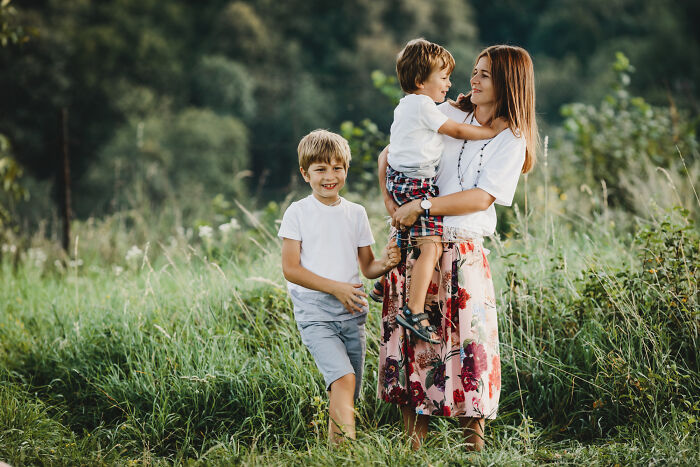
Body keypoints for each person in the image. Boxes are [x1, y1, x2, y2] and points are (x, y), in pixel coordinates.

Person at [376, 45, 538, 451]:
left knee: (469, 347)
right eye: (475, 71)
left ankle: (473, 449)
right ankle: (412, 449)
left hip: (463, 250)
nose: (474, 79)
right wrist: (395, 206)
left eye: (484, 74)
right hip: (420, 243)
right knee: (415, 346)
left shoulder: (511, 137)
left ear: (507, 83)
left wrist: (423, 205)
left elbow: (482, 197)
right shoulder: (445, 113)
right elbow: (389, 153)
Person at [376, 38, 505, 345]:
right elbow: (457, 130)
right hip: (416, 183)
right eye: (443, 78)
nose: (449, 84)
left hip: (400, 178)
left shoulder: (407, 105)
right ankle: (414, 309)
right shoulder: (423, 106)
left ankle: (385, 281)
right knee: (430, 246)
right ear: (421, 81)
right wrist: (489, 131)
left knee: (407, 228)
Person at [279, 129, 400, 444]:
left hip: (352, 312)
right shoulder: (298, 213)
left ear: (346, 169)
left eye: (337, 168)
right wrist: (336, 288)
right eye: (320, 169)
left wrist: (387, 261)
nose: (329, 176)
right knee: (343, 379)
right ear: (306, 174)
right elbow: (291, 269)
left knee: (348, 388)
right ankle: (348, 454)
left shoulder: (356, 213)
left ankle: (337, 451)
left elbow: (368, 267)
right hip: (315, 313)